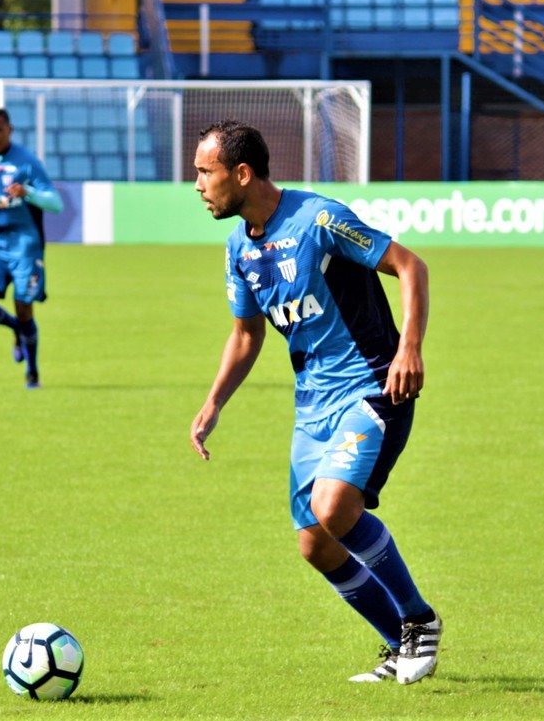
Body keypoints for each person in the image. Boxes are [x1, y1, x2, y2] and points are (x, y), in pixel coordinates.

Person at [189, 119, 442, 685]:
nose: (198, 185)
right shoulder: (238, 248)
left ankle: (419, 621)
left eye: (205, 172)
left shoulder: (319, 220)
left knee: (334, 509)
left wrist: (411, 348)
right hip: (313, 406)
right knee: (315, 546)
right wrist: (214, 404)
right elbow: (246, 335)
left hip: (373, 385)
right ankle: (398, 649)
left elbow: (410, 265)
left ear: (243, 173)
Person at [0, 107, 63, 388]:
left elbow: (56, 203)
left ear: (10, 130)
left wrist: (28, 193)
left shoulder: (27, 162)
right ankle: (16, 331)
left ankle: (32, 373)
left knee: (24, 309)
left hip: (24, 245)